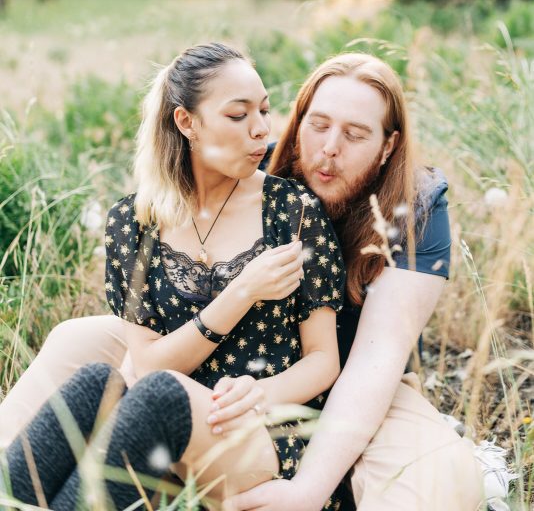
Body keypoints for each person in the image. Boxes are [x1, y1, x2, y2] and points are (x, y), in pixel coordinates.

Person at [0, 50, 484, 510]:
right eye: (317, 125)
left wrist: (307, 488)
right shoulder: (254, 159)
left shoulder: (414, 205)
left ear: (388, 145)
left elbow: (373, 362)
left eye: (356, 134)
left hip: (350, 375)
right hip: (232, 349)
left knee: (438, 477)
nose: (329, 148)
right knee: (80, 346)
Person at [3, 43, 345, 508]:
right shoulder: (135, 221)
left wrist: (259, 394)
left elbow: (324, 359)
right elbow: (147, 364)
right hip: (155, 418)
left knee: (158, 396)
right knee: (96, 384)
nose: (262, 130)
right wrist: (241, 290)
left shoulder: (293, 212)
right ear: (187, 123)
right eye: (237, 115)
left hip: (257, 429)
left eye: (264, 111)